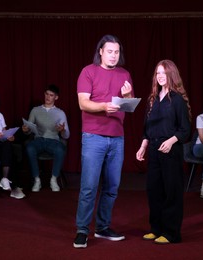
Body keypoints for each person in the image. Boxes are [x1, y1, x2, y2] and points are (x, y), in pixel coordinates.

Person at [73, 34, 133, 249]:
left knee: (112, 187)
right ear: (100, 51)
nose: (113, 55)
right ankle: (82, 230)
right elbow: (83, 103)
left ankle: (102, 227)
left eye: (117, 52)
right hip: (93, 137)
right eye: (109, 51)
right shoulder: (88, 71)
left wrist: (127, 97)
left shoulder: (125, 74)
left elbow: (128, 107)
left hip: (117, 138)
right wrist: (103, 106)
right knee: (89, 186)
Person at [136, 59, 191, 244]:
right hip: (153, 149)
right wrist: (143, 146)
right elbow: (146, 128)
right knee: (154, 190)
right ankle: (156, 229)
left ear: (171, 75)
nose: (160, 76)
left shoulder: (177, 100)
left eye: (164, 73)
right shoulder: (152, 100)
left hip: (171, 150)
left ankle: (171, 233)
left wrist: (171, 141)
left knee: (171, 192)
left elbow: (185, 129)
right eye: (157, 73)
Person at [22, 84, 70, 192]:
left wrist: (62, 130)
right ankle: (37, 180)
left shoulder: (60, 113)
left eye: (51, 95)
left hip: (53, 141)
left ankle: (53, 179)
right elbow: (29, 129)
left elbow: (66, 135)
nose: (48, 97)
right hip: (38, 140)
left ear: (56, 97)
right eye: (46, 94)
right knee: (30, 148)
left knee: (60, 150)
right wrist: (26, 130)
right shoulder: (35, 110)